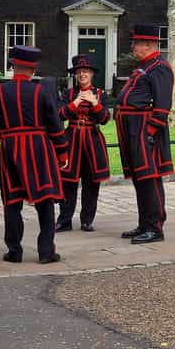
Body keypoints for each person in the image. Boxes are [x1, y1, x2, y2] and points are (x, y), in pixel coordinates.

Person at [0, 45, 68, 264]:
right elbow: (55, 125)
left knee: (12, 202)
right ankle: (46, 252)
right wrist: (61, 153)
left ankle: (14, 251)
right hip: (38, 148)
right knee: (45, 200)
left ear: (12, 66)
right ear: (33, 69)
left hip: (10, 147)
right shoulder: (41, 91)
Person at [115, 24, 174, 244]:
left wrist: (150, 132)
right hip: (132, 129)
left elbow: (162, 105)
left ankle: (155, 227)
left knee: (149, 178)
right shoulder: (144, 66)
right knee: (140, 178)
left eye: (136, 43)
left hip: (144, 130)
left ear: (148, 44)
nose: (133, 47)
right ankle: (144, 223)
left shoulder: (159, 67)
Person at [55, 54, 110, 233]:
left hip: (92, 142)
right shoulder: (68, 94)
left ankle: (87, 220)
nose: (82, 75)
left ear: (92, 74)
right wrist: (77, 101)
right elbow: (60, 115)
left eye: (85, 71)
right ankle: (64, 220)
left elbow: (104, 119)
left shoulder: (100, 94)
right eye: (79, 72)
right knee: (68, 182)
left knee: (91, 183)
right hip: (71, 139)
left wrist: (94, 102)